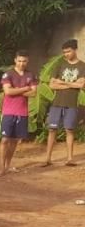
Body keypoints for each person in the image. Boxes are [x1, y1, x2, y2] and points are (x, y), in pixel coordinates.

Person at [0, 50, 37, 177]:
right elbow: (8, 92)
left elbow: (34, 93)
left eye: (24, 61)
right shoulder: (8, 74)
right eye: (19, 61)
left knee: (14, 141)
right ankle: (1, 167)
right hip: (8, 112)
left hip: (22, 113)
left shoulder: (30, 75)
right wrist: (25, 88)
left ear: (28, 61)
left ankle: (7, 166)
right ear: (15, 60)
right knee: (4, 140)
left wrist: (16, 90)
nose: (21, 63)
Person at [43, 39, 85, 167]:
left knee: (69, 130)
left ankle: (70, 159)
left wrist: (62, 82)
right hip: (57, 103)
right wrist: (72, 84)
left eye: (68, 51)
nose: (66, 54)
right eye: (64, 52)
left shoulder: (82, 66)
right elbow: (52, 85)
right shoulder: (59, 65)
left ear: (75, 50)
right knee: (52, 129)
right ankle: (47, 159)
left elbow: (81, 85)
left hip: (72, 103)